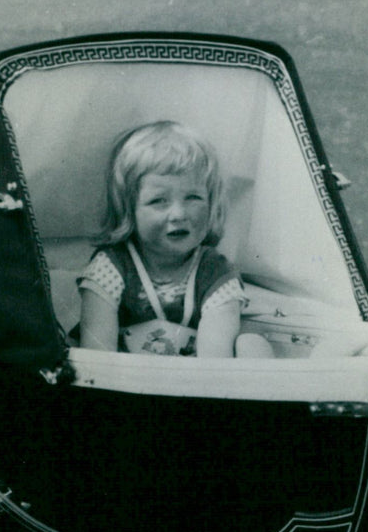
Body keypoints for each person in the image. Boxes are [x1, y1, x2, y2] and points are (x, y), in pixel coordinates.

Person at [76, 120, 270, 358]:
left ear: (211, 203)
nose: (179, 214)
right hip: (122, 386)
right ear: (129, 210)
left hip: (192, 386)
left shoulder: (215, 272)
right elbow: (96, 358)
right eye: (159, 201)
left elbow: (215, 365)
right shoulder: (112, 267)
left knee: (252, 345)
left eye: (193, 197)